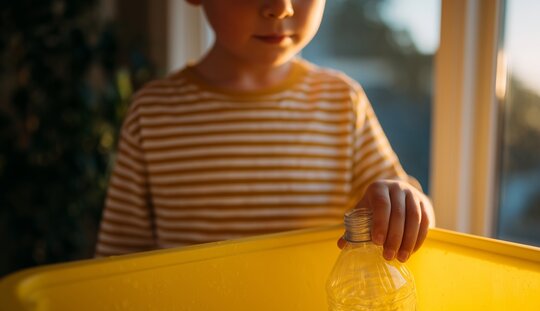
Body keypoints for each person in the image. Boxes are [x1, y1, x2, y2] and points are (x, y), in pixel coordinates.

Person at [95, 0, 435, 262]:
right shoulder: (152, 113)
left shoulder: (341, 102)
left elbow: (408, 215)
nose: (281, 7)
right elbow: (118, 261)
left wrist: (406, 202)